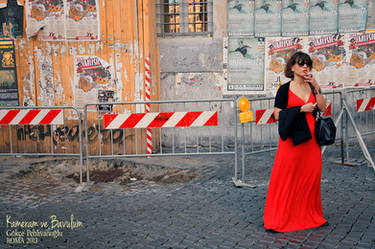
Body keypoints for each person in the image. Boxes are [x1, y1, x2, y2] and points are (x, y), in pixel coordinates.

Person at [264, 51, 328, 233]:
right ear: (292, 67)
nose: (305, 67)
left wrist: (317, 88)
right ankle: (280, 218)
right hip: (291, 141)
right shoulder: (284, 89)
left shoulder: (311, 87)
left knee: (310, 179)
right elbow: (277, 114)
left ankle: (311, 216)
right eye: (301, 64)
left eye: (307, 64)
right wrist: (301, 108)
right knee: (286, 178)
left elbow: (323, 107)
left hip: (311, 141)